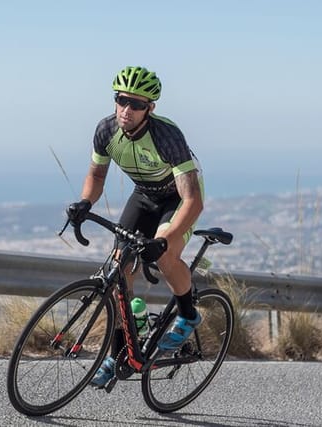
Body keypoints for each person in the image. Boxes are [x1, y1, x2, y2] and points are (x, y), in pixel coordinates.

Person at [67, 65, 204, 388]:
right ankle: (120, 354)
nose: (127, 109)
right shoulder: (106, 130)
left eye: (137, 104)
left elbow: (192, 201)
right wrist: (85, 202)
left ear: (150, 109)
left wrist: (165, 239)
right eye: (122, 100)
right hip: (143, 197)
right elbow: (97, 176)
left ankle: (188, 313)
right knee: (118, 270)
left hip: (176, 199)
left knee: (163, 255)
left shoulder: (166, 136)